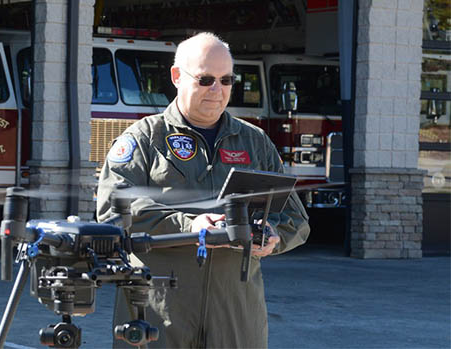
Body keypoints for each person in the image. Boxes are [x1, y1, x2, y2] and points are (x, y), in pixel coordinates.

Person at [96, 32, 310, 348]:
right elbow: (113, 213)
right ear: (177, 76)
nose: (217, 90)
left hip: (236, 313)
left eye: (226, 80)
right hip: (161, 310)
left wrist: (274, 236)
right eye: (206, 78)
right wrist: (191, 226)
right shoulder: (144, 139)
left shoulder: (254, 142)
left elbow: (295, 218)